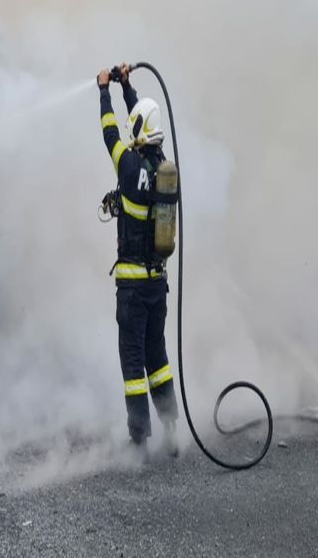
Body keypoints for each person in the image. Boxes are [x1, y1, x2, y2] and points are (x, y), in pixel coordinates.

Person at [96, 64, 179, 457]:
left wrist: (104, 91)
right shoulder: (164, 169)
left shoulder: (128, 167)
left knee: (132, 363)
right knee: (157, 357)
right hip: (157, 285)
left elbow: (112, 132)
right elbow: (138, 125)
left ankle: (139, 439)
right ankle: (171, 427)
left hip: (131, 288)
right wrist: (128, 86)